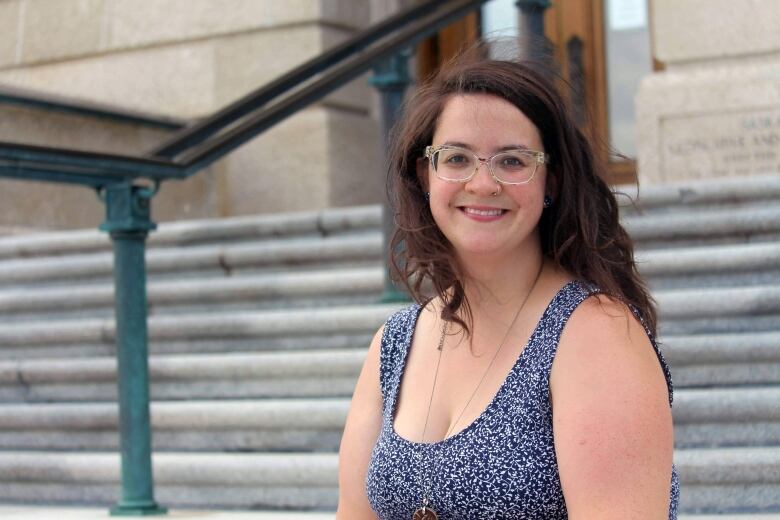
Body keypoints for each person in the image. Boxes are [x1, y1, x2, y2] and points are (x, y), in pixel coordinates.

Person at [337, 48, 679, 519]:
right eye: (456, 158)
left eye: (513, 162)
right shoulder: (396, 343)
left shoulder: (595, 336)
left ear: (551, 182)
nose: (482, 183)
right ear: (425, 176)